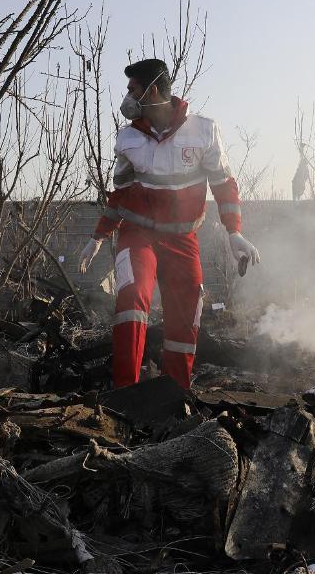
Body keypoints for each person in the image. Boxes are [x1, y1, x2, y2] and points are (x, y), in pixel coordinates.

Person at [78, 58, 260, 389]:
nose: (127, 97)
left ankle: (174, 395)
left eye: (133, 89)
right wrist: (99, 236)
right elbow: (119, 194)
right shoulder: (128, 139)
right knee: (132, 298)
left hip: (182, 238)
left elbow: (223, 183)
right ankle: (126, 395)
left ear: (154, 90)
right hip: (138, 235)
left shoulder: (203, 131)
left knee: (188, 309)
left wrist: (234, 232)